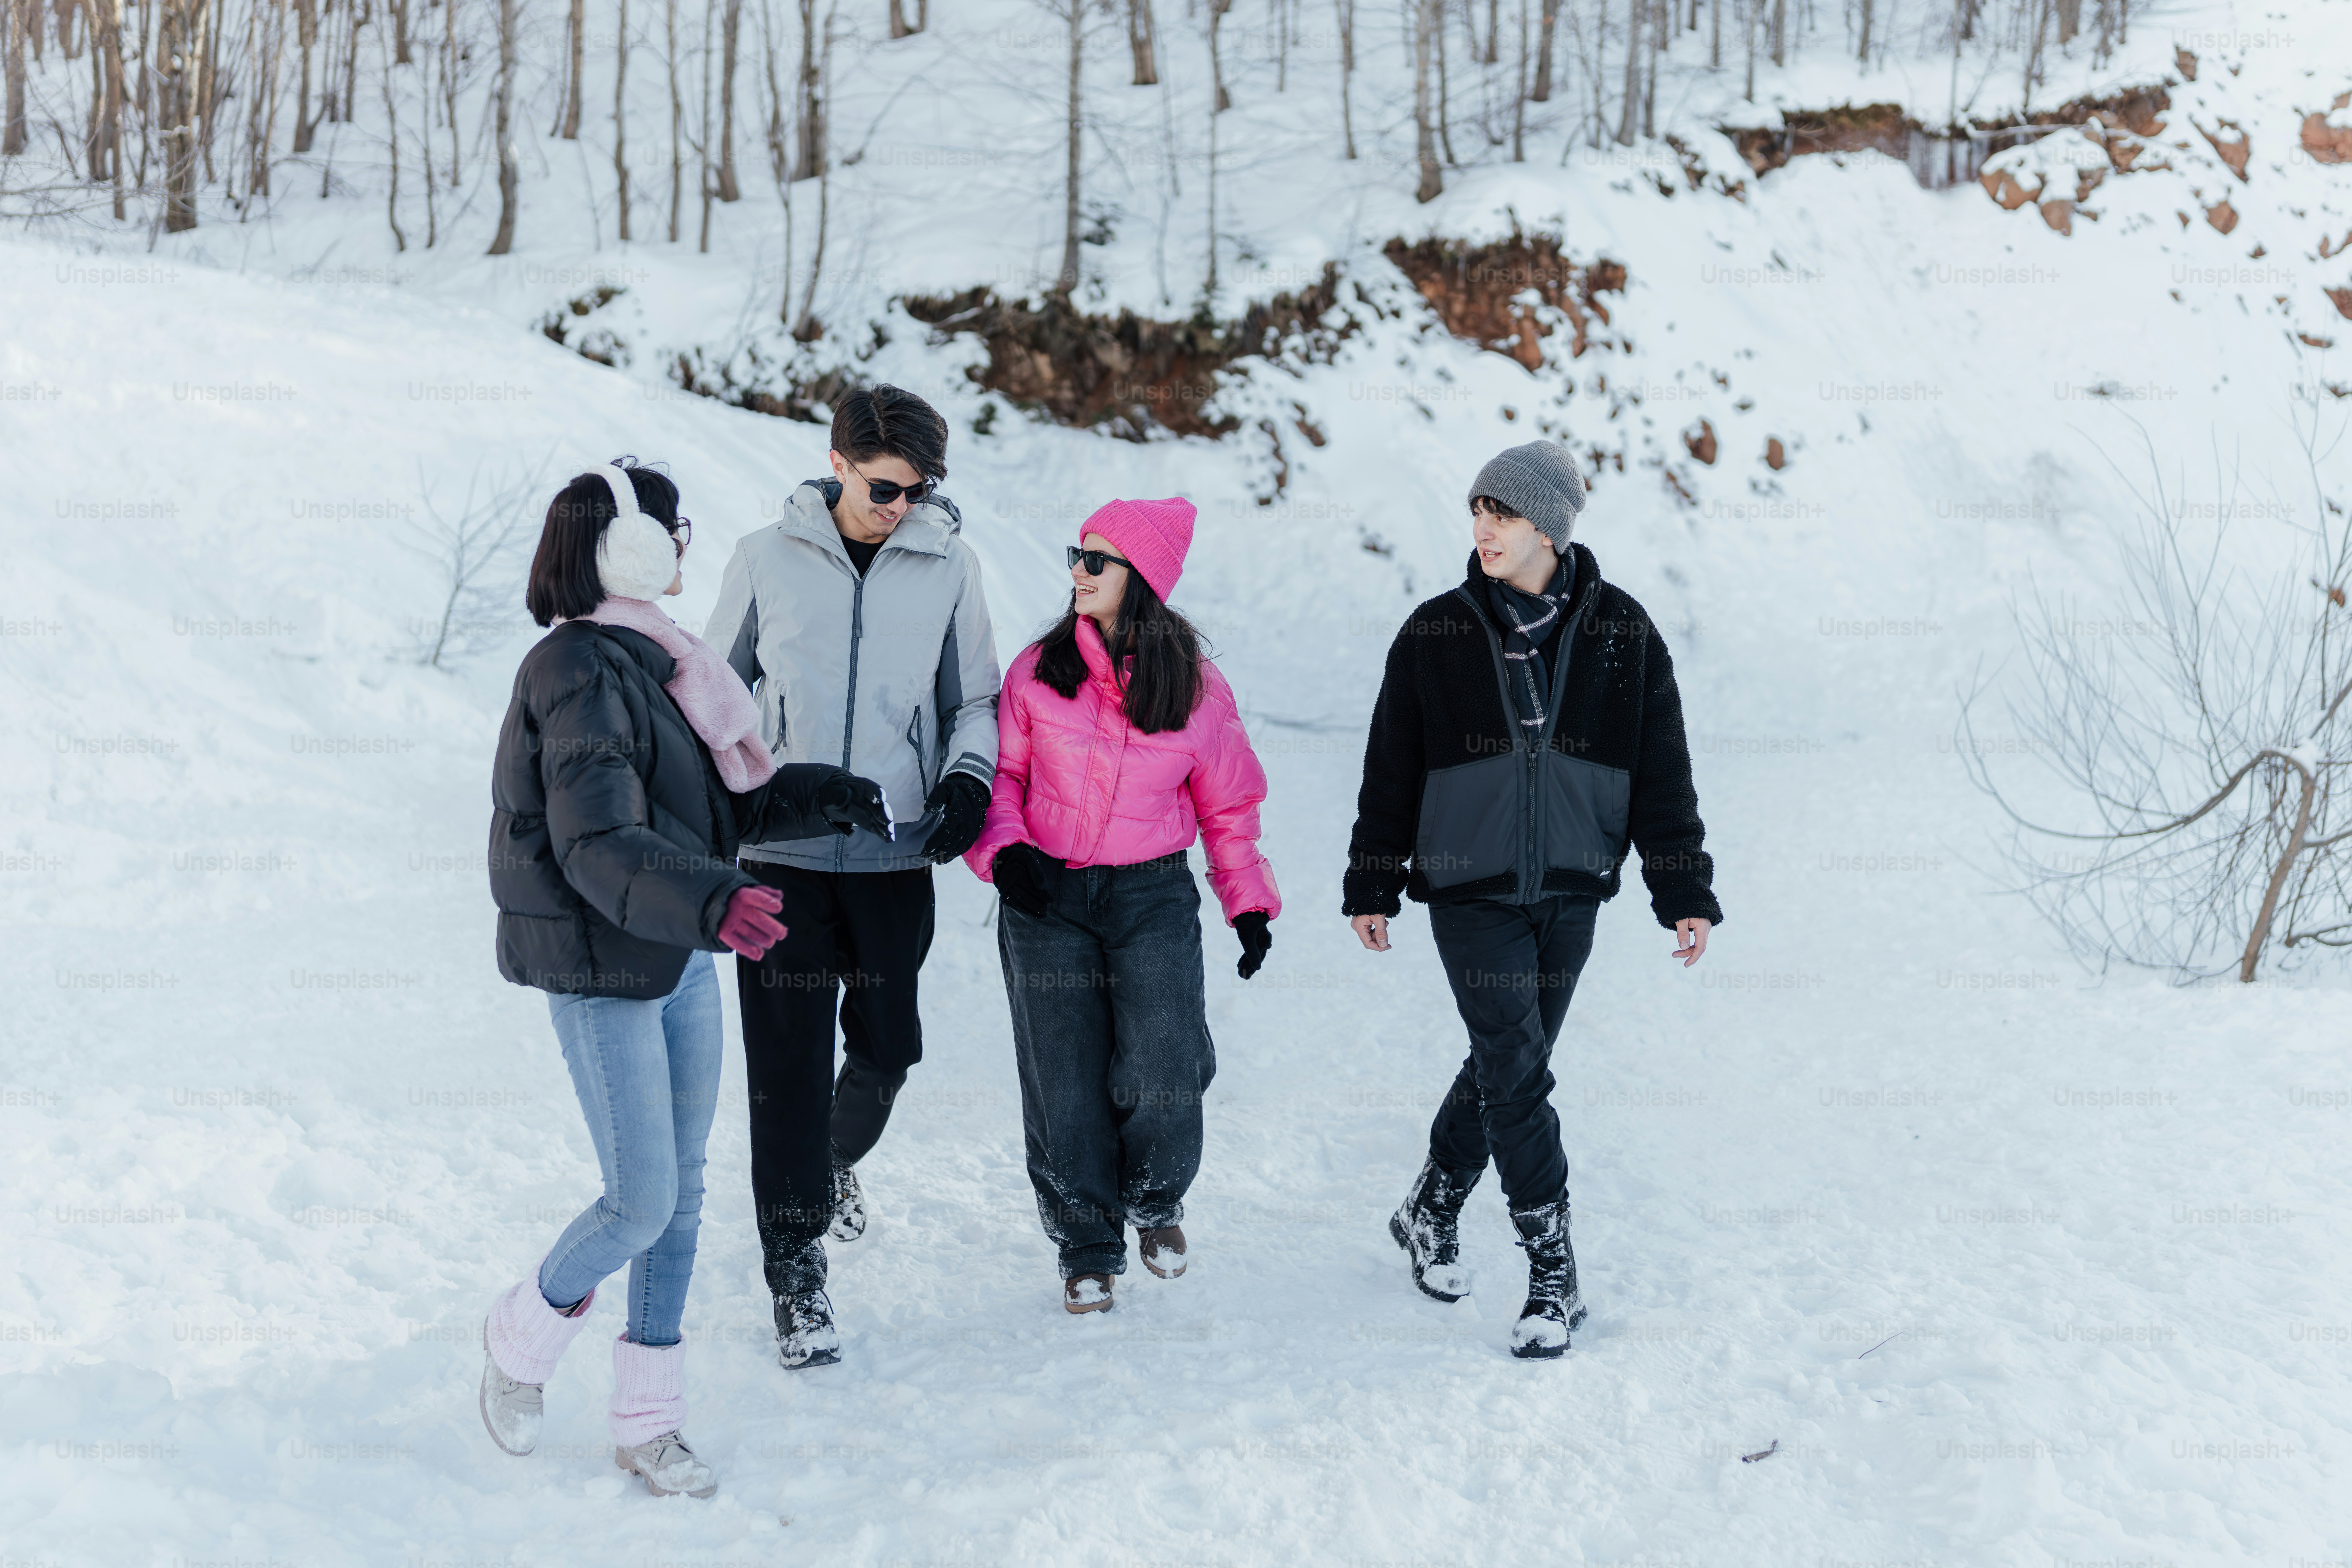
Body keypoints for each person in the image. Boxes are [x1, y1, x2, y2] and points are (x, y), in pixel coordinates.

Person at [479, 461, 893, 1496]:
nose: (681, 541)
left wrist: (818, 793)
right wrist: (711, 902)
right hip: (603, 964)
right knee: (641, 1201)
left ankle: (649, 1423)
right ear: (624, 545)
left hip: (673, 958)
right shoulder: (574, 668)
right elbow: (598, 840)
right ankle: (522, 1335)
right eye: (669, 527)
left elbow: (711, 814)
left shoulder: (661, 660)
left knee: (686, 1195)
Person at [1341, 441, 1722, 1360]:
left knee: (1510, 1058)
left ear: (1549, 526)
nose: (1484, 528)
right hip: (1468, 888)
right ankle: (1553, 1270)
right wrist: (1374, 876)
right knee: (1517, 1069)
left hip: (1574, 885)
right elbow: (1391, 766)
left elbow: (1663, 773)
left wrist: (1683, 887)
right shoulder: (1435, 631)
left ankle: (1431, 1206)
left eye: (1502, 513)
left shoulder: (1624, 634)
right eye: (1477, 510)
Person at [702, 386, 1002, 1370]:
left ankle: (832, 1159)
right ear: (837, 464)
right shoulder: (764, 559)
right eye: (884, 488)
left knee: (889, 1048)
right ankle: (795, 1270)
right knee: (783, 1074)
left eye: (919, 491)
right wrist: (756, 799)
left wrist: (965, 781)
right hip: (781, 863)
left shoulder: (950, 570)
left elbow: (976, 703)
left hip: (892, 859)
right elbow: (712, 700)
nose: (900, 507)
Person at [965, 498, 1279, 1314]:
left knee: (1164, 1060)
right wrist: (1006, 854)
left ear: (1143, 579)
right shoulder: (1038, 671)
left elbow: (1229, 806)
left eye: (1097, 560)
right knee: (1062, 1075)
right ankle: (1086, 1243)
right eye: (1078, 553)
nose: (1078, 570)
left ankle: (1156, 1198)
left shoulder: (1198, 687)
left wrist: (1246, 902)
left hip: (1151, 894)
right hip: (1048, 894)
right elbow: (1002, 781)